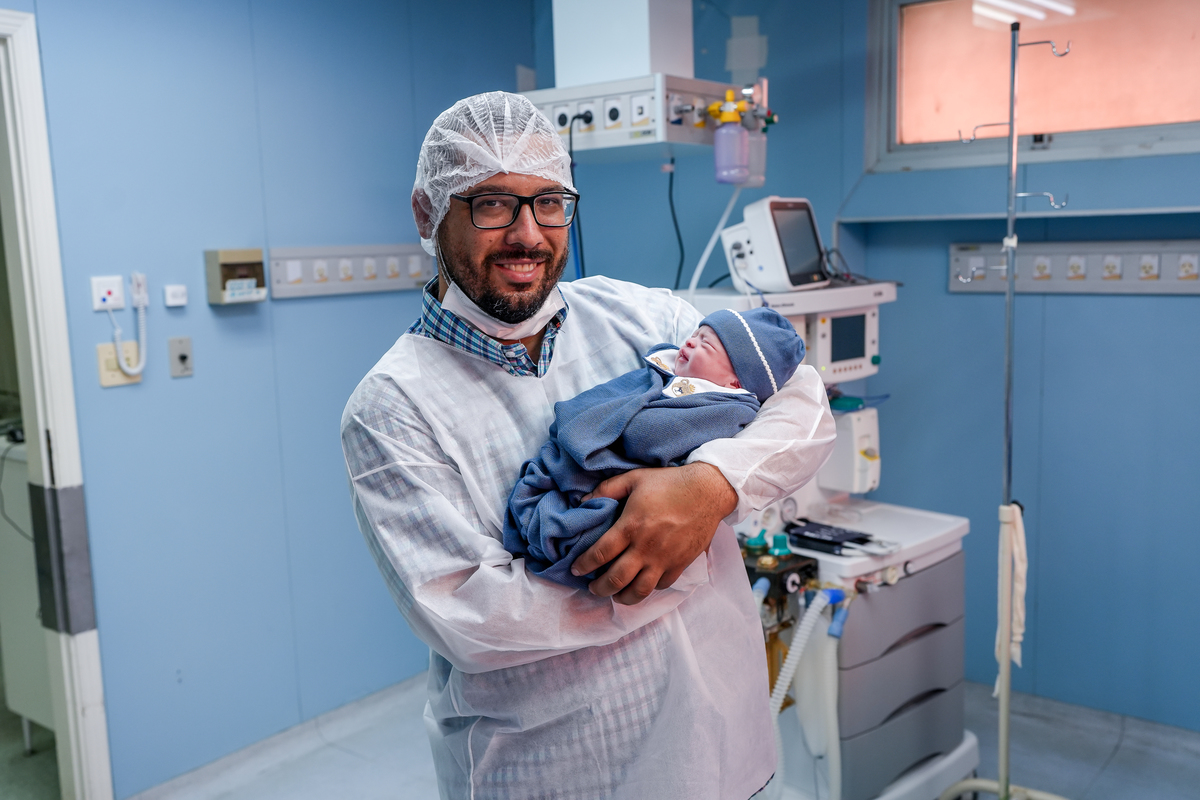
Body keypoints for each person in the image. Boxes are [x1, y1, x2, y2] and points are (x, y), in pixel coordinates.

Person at [340, 91, 836, 800]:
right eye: (491, 204)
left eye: (550, 203)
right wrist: (674, 560)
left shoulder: (642, 315)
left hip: (723, 742)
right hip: (559, 772)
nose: (528, 234)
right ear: (427, 214)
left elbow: (801, 397)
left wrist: (709, 489)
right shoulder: (393, 406)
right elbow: (473, 618)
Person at [505, 307, 806, 589]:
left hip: (625, 488)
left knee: (595, 529)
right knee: (550, 494)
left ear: (734, 382)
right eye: (696, 334)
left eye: (706, 345)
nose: (691, 342)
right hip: (579, 470)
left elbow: (649, 437)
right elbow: (611, 395)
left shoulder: (726, 408)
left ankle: (557, 534)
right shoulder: (665, 371)